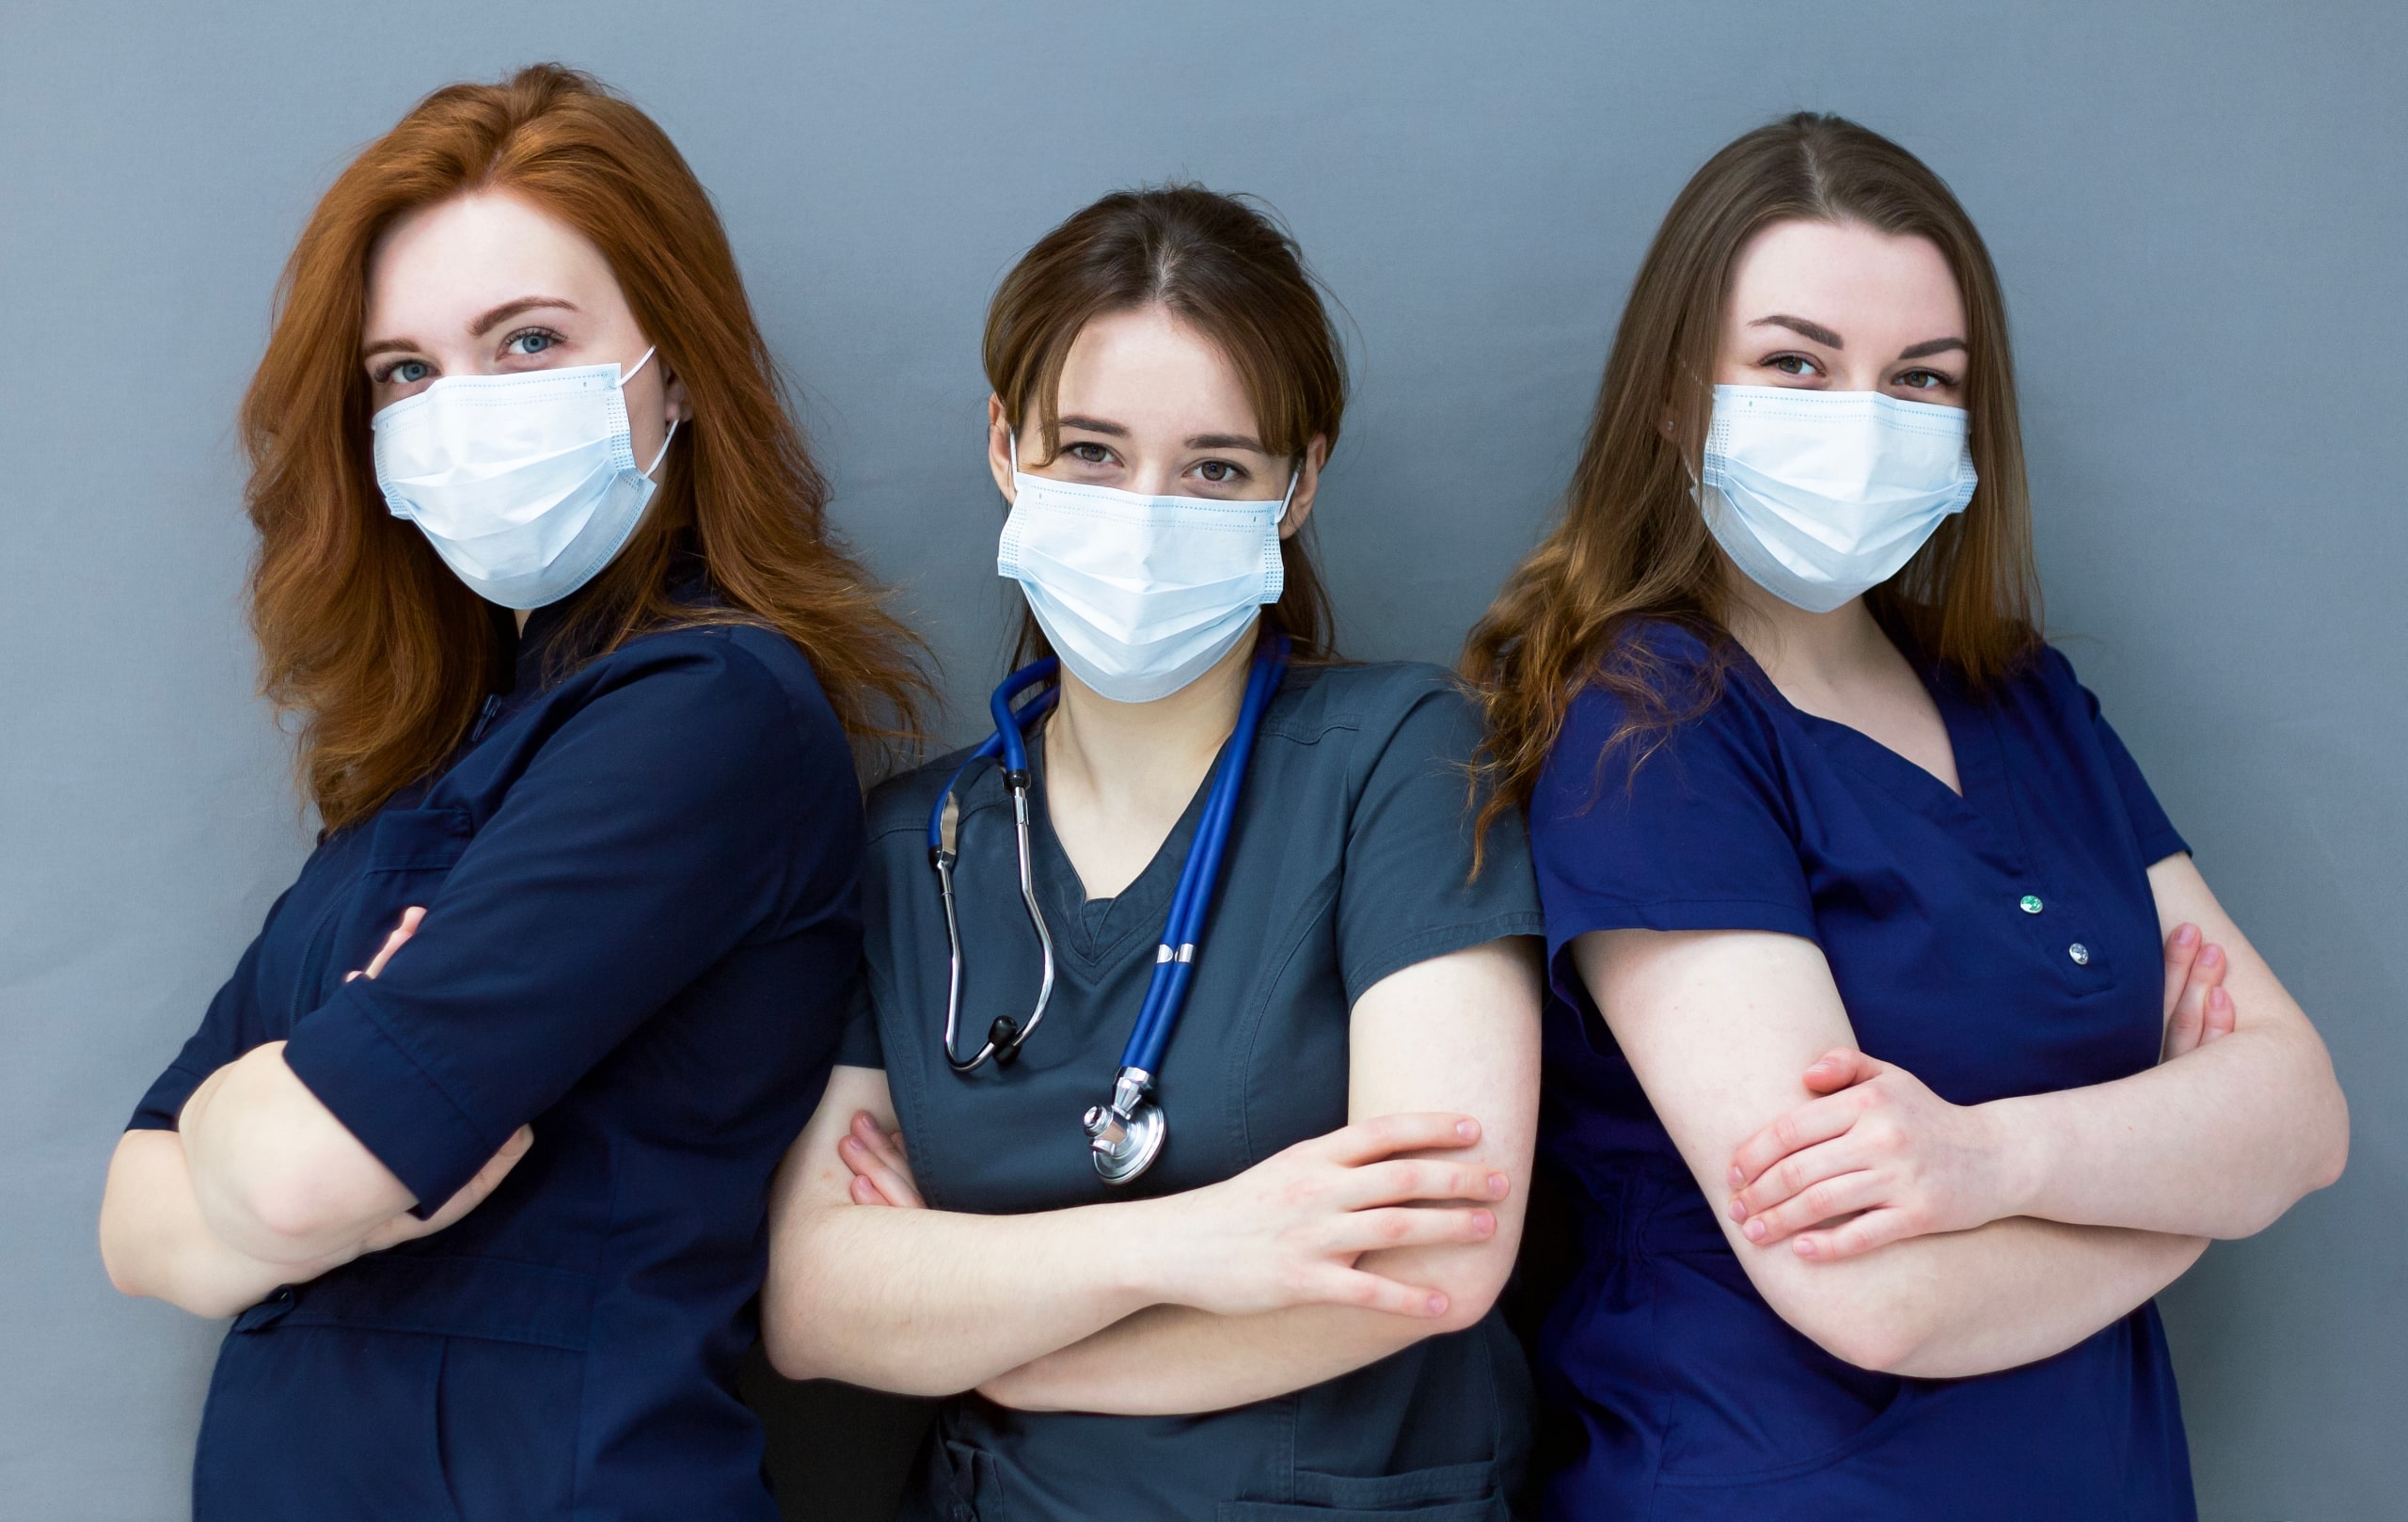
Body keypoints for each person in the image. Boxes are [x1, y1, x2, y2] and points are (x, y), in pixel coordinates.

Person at [1462, 114, 2349, 1519]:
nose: (1862, 421)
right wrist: (2188, 1189)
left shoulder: (2021, 697)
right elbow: (1874, 1294)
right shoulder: (1646, 722)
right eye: (1797, 364)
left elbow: (2302, 1112)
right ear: (1676, 394)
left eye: (1920, 379)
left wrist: (1991, 1159)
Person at [95, 65, 923, 1521]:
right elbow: (131, 1218)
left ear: (673, 364)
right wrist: (282, 1138)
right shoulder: (439, 755)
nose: (456, 411)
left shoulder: (708, 718)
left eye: (528, 340)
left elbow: (276, 1188)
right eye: (405, 373)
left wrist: (275, 1149)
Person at [762, 184, 1545, 1521]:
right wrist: (1205, 1239)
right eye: (1092, 452)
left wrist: (1011, 1341)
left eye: (1216, 469)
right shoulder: (920, 846)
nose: (1146, 510)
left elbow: (1432, 1254)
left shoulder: (1398, 758)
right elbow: (816, 1302)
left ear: (1297, 486)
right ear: (1007, 449)